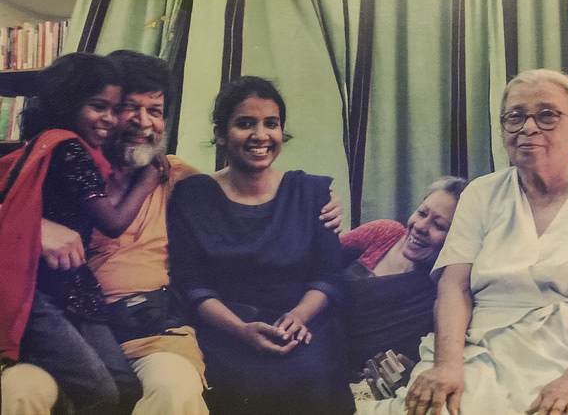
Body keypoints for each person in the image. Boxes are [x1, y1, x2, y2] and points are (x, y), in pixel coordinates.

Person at [1, 51, 345, 415]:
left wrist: (320, 201)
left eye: (156, 111)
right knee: (22, 391)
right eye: (129, 108)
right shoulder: (55, 169)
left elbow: (246, 191)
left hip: (153, 335)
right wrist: (36, 227)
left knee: (174, 389)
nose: (143, 123)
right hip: (61, 330)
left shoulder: (178, 177)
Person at [357, 68, 568, 415]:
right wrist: (448, 365)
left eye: (547, 115)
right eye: (514, 118)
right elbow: (453, 287)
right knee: (437, 408)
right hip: (487, 345)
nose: (528, 128)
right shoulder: (481, 193)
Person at [167, 76, 355, 414]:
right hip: (224, 328)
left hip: (302, 327)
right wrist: (239, 330)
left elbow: (329, 275)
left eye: (271, 123)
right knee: (236, 385)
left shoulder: (312, 192)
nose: (260, 135)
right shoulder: (192, 195)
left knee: (311, 377)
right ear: (221, 134)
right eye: (244, 123)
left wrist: (299, 316)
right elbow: (191, 283)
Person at [0, 53, 166, 414]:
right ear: (68, 103)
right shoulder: (70, 149)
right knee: (102, 392)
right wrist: (150, 179)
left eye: (156, 110)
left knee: (120, 386)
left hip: (72, 291)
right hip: (41, 293)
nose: (111, 119)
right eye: (103, 107)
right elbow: (111, 222)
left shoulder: (55, 147)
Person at [340, 176, 467, 380]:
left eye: (439, 226)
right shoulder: (385, 233)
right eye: (422, 213)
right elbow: (320, 261)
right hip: (309, 336)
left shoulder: (447, 293)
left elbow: (425, 357)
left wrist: (409, 370)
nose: (420, 227)